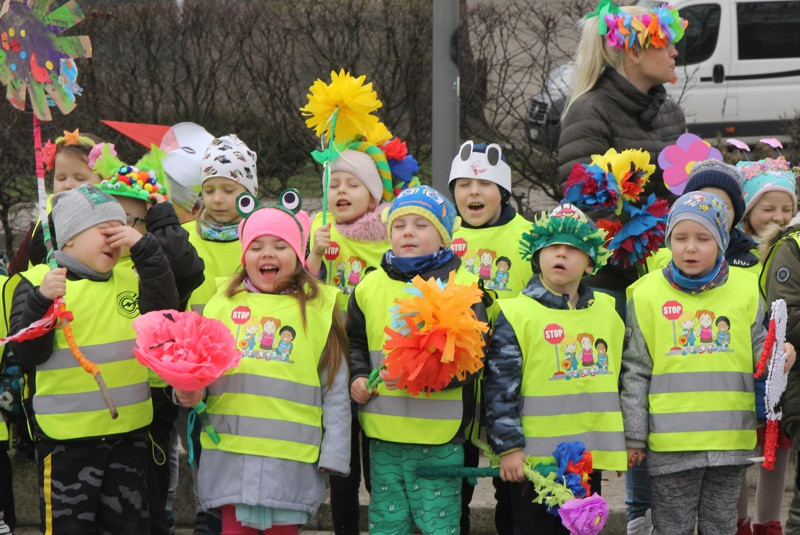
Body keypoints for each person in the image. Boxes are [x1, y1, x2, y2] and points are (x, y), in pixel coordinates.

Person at [622, 191, 796, 534]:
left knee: (722, 526)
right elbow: (636, 370)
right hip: (671, 446)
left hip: (729, 441)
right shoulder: (645, 295)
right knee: (673, 527)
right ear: (669, 240)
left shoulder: (745, 291)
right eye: (680, 238)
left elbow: (760, 350)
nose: (690, 247)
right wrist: (634, 436)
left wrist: (781, 352)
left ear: (720, 240)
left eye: (703, 238)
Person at [9, 185, 179, 534]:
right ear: (69, 238)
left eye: (118, 233)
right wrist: (42, 303)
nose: (114, 242)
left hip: (128, 437)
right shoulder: (37, 283)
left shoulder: (130, 278)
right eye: (103, 232)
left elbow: (165, 315)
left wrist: (145, 248)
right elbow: (27, 354)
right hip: (66, 444)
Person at [175, 196, 350, 535]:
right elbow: (199, 372)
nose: (267, 253)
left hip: (291, 461)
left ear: (299, 256)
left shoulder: (318, 309)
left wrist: (336, 452)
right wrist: (188, 394)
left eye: (280, 245)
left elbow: (335, 391)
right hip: (232, 456)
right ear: (244, 257)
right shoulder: (220, 306)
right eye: (256, 246)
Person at [348, 185, 488, 535]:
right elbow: (355, 343)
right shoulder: (368, 287)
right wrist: (358, 376)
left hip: (440, 437)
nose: (408, 231)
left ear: (443, 237)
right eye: (399, 225)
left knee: (438, 526)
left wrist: (422, 376)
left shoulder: (464, 288)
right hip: (383, 435)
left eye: (421, 225)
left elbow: (475, 360)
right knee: (387, 525)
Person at [484, 203, 626, 534]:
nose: (561, 254)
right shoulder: (517, 313)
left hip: (586, 463)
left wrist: (616, 448)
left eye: (573, 248)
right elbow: (499, 388)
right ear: (537, 255)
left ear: (590, 260)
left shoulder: (607, 312)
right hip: (532, 465)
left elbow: (615, 380)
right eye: (552, 247)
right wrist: (509, 448)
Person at [90, 142, 205, 535]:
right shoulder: (92, 270)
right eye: (108, 216)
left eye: (129, 219)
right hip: (103, 403)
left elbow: (188, 268)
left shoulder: (154, 261)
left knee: (152, 491)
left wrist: (158, 218)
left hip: (153, 399)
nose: (116, 228)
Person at [558, 0, 687, 302]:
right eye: (664, 43)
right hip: (612, 285)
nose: (674, 52)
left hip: (674, 276)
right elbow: (589, 210)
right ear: (634, 52)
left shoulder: (672, 113)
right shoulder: (590, 112)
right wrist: (651, 269)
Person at [307, 141, 395, 535]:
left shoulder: (391, 236)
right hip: (332, 358)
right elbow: (301, 293)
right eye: (333, 183)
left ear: (373, 195)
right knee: (342, 462)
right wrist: (313, 257)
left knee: (377, 458)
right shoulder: (320, 231)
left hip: (375, 360)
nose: (340, 191)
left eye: (352, 184)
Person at [447, 140, 533, 534]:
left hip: (510, 386)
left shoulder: (528, 238)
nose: (473, 192)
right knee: (456, 487)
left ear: (503, 190)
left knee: (511, 487)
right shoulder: (442, 234)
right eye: (463, 184)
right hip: (457, 383)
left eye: (483, 184)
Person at [743, 156, 798, 535]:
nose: (777, 215)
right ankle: (738, 523)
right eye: (767, 208)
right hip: (739, 368)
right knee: (738, 454)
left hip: (779, 371)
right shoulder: (725, 253)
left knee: (774, 452)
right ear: (748, 213)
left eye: (787, 207)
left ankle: (768, 524)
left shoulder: (788, 248)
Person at [7, 129, 103, 275]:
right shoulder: (44, 217)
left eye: (80, 178)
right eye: (61, 178)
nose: (68, 185)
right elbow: (17, 269)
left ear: (104, 182)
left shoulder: (109, 222)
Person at [186, 134, 258, 314]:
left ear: (249, 193)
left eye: (228, 190)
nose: (217, 199)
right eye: (209, 190)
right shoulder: (183, 238)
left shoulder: (262, 240)